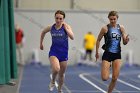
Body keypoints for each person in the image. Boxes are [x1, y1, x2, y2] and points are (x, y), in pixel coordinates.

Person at [40, 10, 74, 93]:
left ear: (63, 19)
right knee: (56, 69)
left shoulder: (66, 27)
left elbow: (72, 37)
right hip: (54, 52)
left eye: (60, 19)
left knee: (61, 74)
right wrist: (41, 43)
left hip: (64, 53)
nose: (58, 20)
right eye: (57, 18)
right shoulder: (51, 27)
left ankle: (59, 89)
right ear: (55, 18)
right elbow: (43, 32)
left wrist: (67, 29)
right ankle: (52, 81)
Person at [95, 11, 129, 93]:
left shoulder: (121, 28)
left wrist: (126, 40)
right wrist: (96, 52)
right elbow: (98, 40)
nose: (113, 21)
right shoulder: (105, 28)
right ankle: (108, 66)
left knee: (114, 78)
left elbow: (124, 42)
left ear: (117, 18)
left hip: (117, 54)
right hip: (107, 54)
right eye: (111, 19)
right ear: (108, 19)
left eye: (114, 19)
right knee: (104, 78)